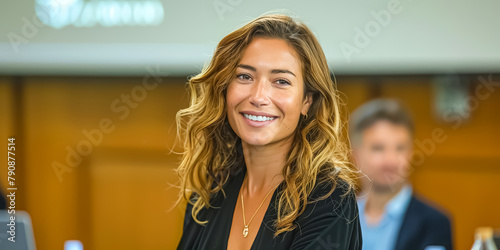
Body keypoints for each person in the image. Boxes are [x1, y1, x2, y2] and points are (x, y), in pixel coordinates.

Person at [174, 12, 362, 250]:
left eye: (281, 81)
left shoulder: (329, 199)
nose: (258, 97)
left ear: (307, 101)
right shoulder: (208, 196)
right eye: (244, 76)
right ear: (224, 90)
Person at [349, 99, 453, 250]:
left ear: (411, 153)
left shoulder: (434, 223)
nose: (390, 161)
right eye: (378, 148)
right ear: (355, 156)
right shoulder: (336, 217)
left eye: (400, 148)